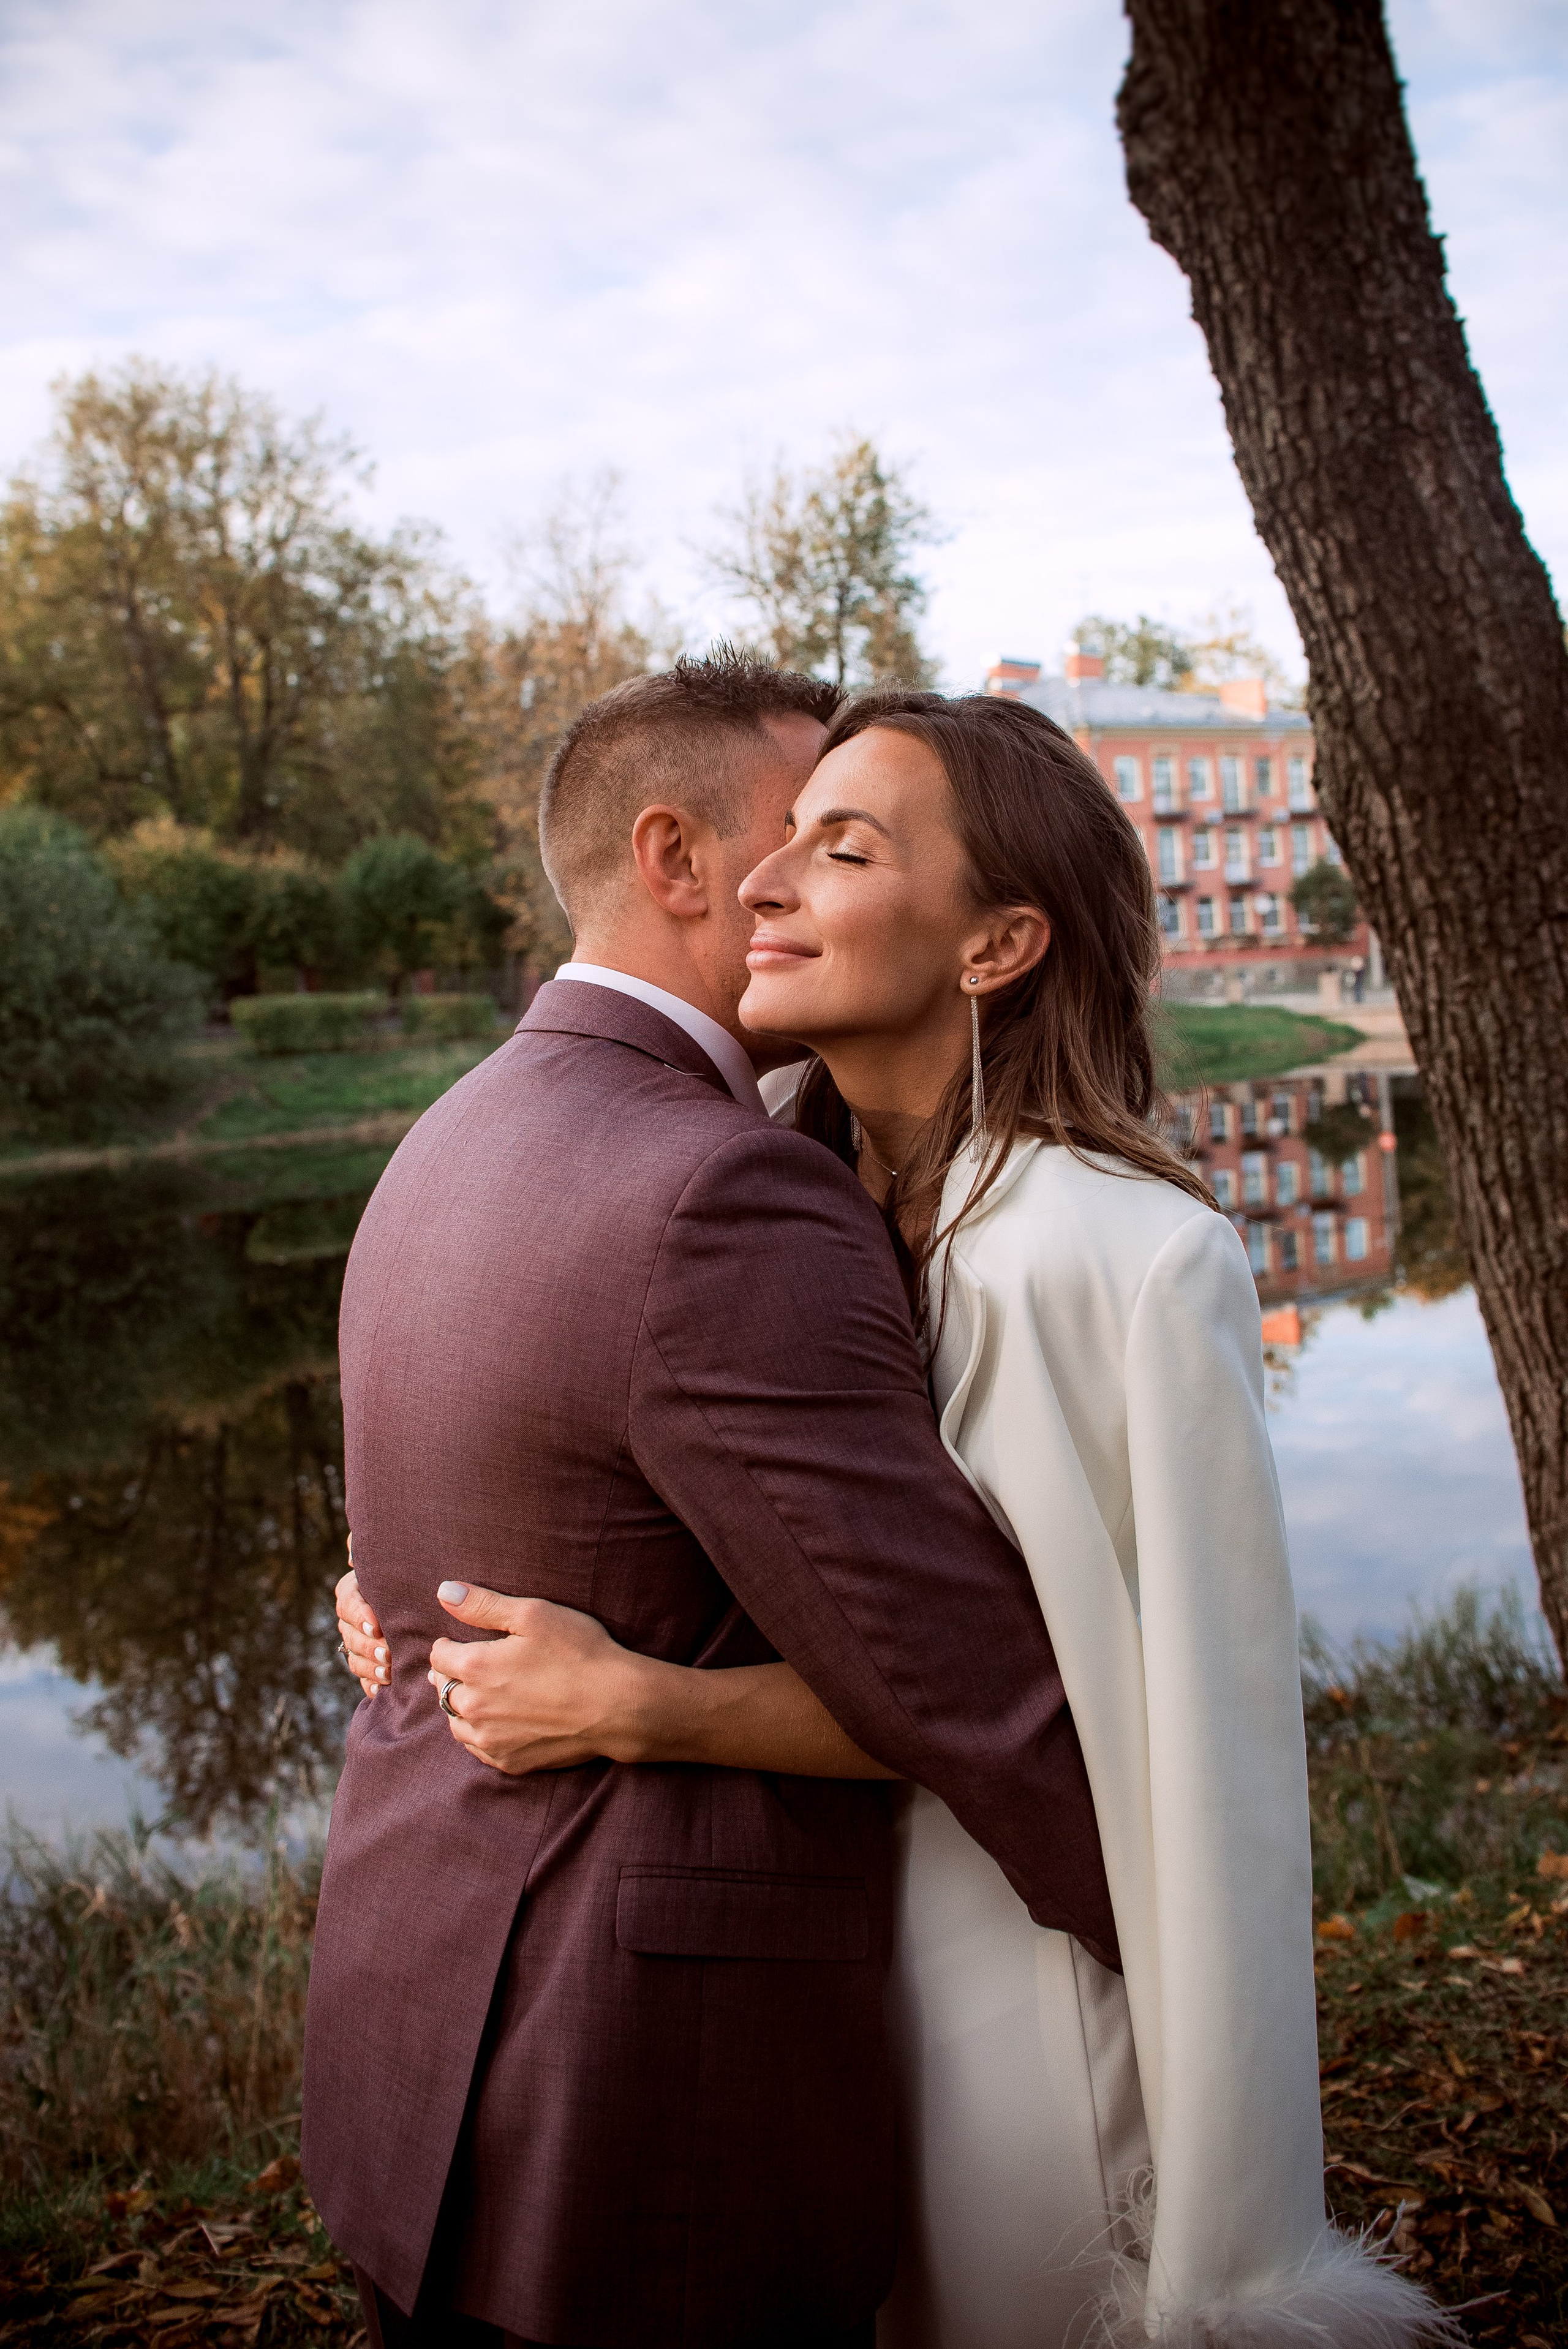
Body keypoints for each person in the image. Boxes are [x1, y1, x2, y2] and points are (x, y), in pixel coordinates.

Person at [339, 689, 1453, 2347]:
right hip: (809, 2016)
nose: (773, 881)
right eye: (778, 837)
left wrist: (1229, 2186)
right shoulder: (764, 1191)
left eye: (838, 844)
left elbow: (1162, 1742)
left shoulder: (1125, 1254)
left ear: (1000, 941)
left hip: (1029, 2022)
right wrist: (412, 1610)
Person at [303, 653, 1120, 2349]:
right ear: (678, 862)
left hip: (415, 2038)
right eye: (802, 830)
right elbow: (965, 1682)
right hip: (633, 2106)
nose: (822, 873)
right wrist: (1185, 1947)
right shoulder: (716, 1190)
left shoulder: (451, 1133)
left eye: (857, 843)